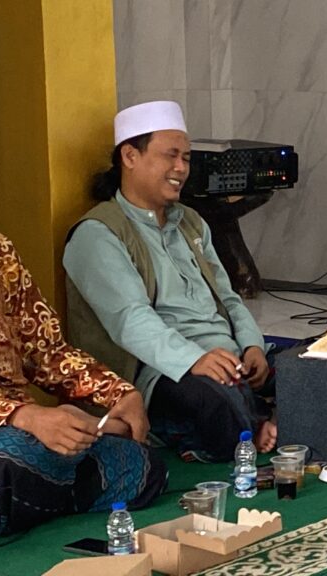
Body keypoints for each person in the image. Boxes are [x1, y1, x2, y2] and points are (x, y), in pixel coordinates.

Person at [0, 126, 166, 535]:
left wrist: (117, 392)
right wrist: (24, 416)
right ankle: (60, 480)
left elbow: (45, 350)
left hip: (28, 432)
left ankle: (49, 484)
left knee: (143, 467)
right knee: (8, 470)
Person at [63, 101, 276, 463]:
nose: (181, 168)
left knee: (317, 363)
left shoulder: (190, 222)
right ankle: (260, 424)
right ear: (130, 156)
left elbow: (228, 297)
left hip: (229, 357)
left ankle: (258, 420)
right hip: (164, 371)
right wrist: (194, 359)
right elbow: (130, 320)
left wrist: (253, 346)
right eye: (171, 156)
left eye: (186, 158)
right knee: (212, 399)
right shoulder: (98, 234)